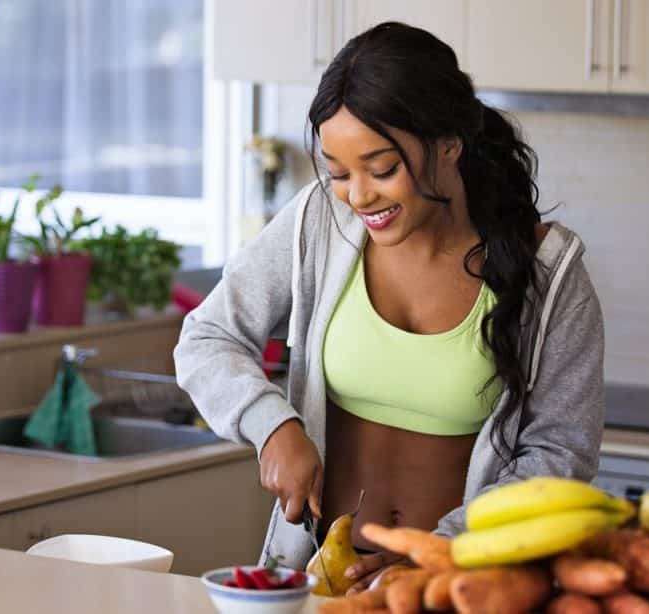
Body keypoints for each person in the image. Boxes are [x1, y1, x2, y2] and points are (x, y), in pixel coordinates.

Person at [174, 21, 604, 593]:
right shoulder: (318, 222)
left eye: (381, 169)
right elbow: (206, 338)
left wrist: (438, 554)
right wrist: (273, 424)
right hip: (321, 582)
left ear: (449, 143)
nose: (358, 196)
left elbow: (559, 455)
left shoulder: (548, 271)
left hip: (458, 587)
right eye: (338, 173)